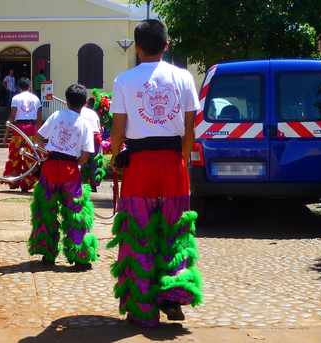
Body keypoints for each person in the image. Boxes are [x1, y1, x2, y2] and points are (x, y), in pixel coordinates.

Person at [107, 19, 203, 327]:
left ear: (137, 47)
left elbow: (118, 131)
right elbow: (190, 128)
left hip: (140, 167)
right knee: (175, 233)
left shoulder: (124, 80)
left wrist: (114, 156)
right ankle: (173, 299)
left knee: (138, 235)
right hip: (174, 165)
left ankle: (141, 307)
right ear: (166, 44)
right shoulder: (183, 77)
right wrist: (183, 159)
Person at [28, 84, 99, 270]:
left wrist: (46, 149)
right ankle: (80, 257)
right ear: (84, 103)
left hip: (50, 167)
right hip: (70, 169)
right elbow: (86, 154)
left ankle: (47, 253)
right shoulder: (85, 123)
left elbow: (39, 137)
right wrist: (77, 164)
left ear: (66, 100)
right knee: (75, 213)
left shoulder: (56, 116)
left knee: (45, 210)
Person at [1, 77, 42, 192]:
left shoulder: (15, 98)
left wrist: (5, 135)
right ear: (30, 86)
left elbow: (12, 117)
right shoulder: (36, 98)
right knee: (31, 157)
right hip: (32, 129)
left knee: (15, 155)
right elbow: (39, 119)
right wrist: (39, 137)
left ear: (19, 87)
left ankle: (14, 182)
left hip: (18, 130)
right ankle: (27, 184)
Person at [79, 101, 104, 192]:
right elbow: (99, 127)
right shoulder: (93, 113)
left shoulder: (78, 111)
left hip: (85, 135)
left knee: (82, 160)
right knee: (94, 161)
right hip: (96, 135)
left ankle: (81, 182)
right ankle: (94, 184)